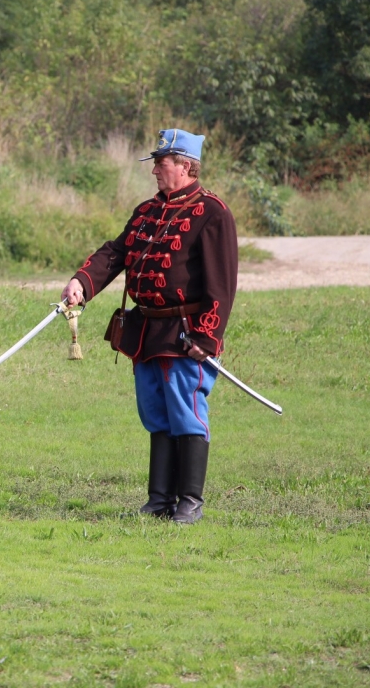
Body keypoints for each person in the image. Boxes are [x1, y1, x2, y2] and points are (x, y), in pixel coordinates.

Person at [61, 129, 237, 524]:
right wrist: (81, 283)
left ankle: (189, 502)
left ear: (185, 166)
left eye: (162, 163)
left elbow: (222, 284)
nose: (155, 170)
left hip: (185, 334)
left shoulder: (213, 213)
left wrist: (207, 336)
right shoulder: (146, 212)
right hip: (145, 332)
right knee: (156, 413)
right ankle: (159, 500)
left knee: (186, 413)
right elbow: (116, 253)